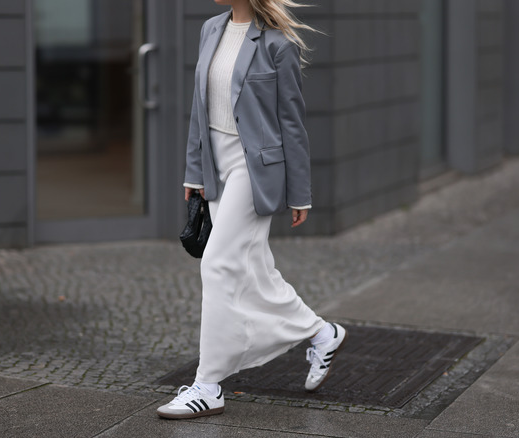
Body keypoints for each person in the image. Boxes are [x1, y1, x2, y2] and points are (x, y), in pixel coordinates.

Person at [157, 0, 347, 420]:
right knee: (255, 269)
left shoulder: (278, 44)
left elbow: (292, 121)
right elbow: (199, 106)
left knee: (219, 263)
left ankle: (208, 385)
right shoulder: (211, 28)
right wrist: (194, 169)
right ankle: (321, 332)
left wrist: (299, 192)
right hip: (216, 163)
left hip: (253, 168)